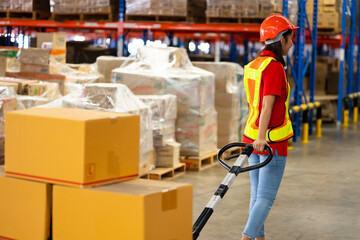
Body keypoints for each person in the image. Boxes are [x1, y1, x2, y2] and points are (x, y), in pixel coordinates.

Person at [241, 14, 297, 240]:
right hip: (269, 141)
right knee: (265, 197)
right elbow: (267, 105)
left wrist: (257, 137)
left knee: (256, 196)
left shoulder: (254, 65)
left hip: (251, 136)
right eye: (290, 38)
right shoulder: (274, 68)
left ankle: (259, 239)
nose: (292, 43)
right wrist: (263, 138)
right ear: (281, 38)